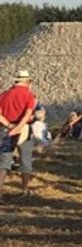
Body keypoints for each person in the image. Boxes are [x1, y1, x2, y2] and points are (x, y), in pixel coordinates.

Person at [0, 70, 37, 201]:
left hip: (5, 129)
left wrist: (9, 126)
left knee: (4, 162)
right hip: (24, 130)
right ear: (28, 81)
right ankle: (24, 189)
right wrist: (18, 127)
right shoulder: (29, 95)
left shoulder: (4, 95)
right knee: (25, 159)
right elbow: (28, 114)